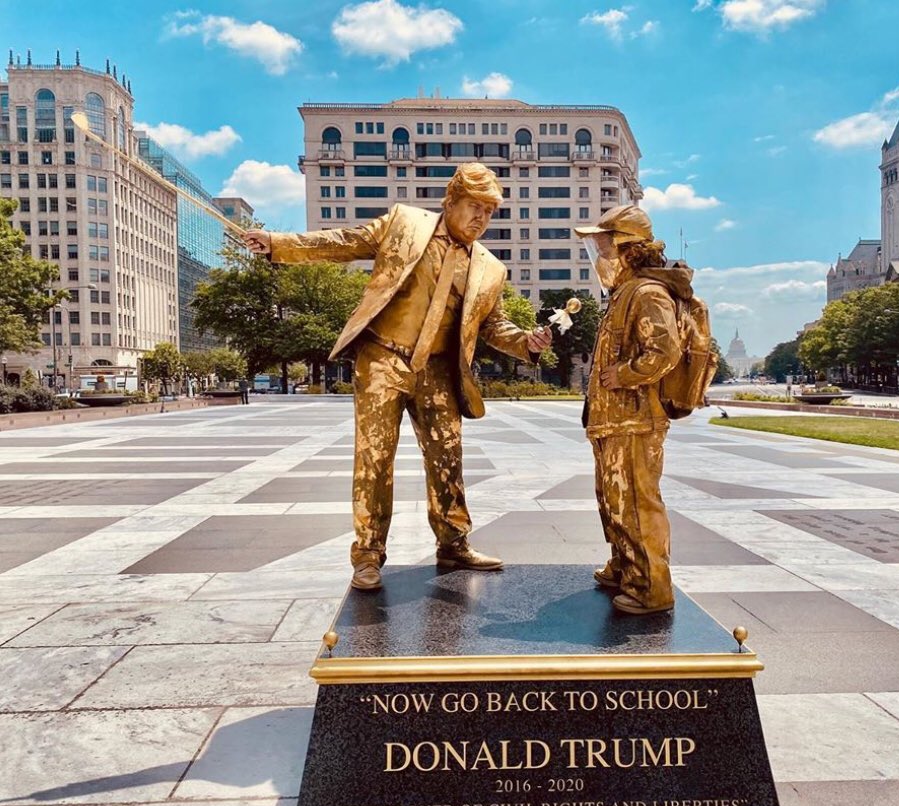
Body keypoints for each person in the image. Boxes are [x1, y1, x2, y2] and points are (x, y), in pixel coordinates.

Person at [243, 163, 552, 592]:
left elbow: (494, 326)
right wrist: (278, 244)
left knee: (447, 457)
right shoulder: (405, 223)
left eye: (489, 211)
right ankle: (368, 555)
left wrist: (526, 343)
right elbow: (344, 242)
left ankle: (453, 542)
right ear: (451, 202)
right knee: (374, 459)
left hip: (440, 371)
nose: (481, 218)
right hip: (383, 360)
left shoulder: (490, 269)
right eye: (473, 207)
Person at [575, 205, 686, 615]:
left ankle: (652, 587)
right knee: (614, 500)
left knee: (638, 503)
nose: (600, 255)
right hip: (612, 421)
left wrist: (624, 374)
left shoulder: (647, 292)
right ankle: (626, 567)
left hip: (635, 420)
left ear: (627, 248)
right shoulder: (624, 293)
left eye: (604, 246)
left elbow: (665, 350)